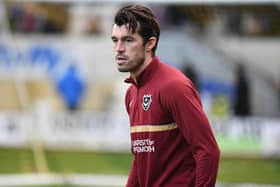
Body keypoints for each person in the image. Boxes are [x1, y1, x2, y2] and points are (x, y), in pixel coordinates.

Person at [111, 5, 220, 187]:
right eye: (115, 40)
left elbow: (208, 151)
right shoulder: (131, 93)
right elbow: (141, 159)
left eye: (128, 40)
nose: (119, 48)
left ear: (150, 43)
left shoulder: (174, 87)